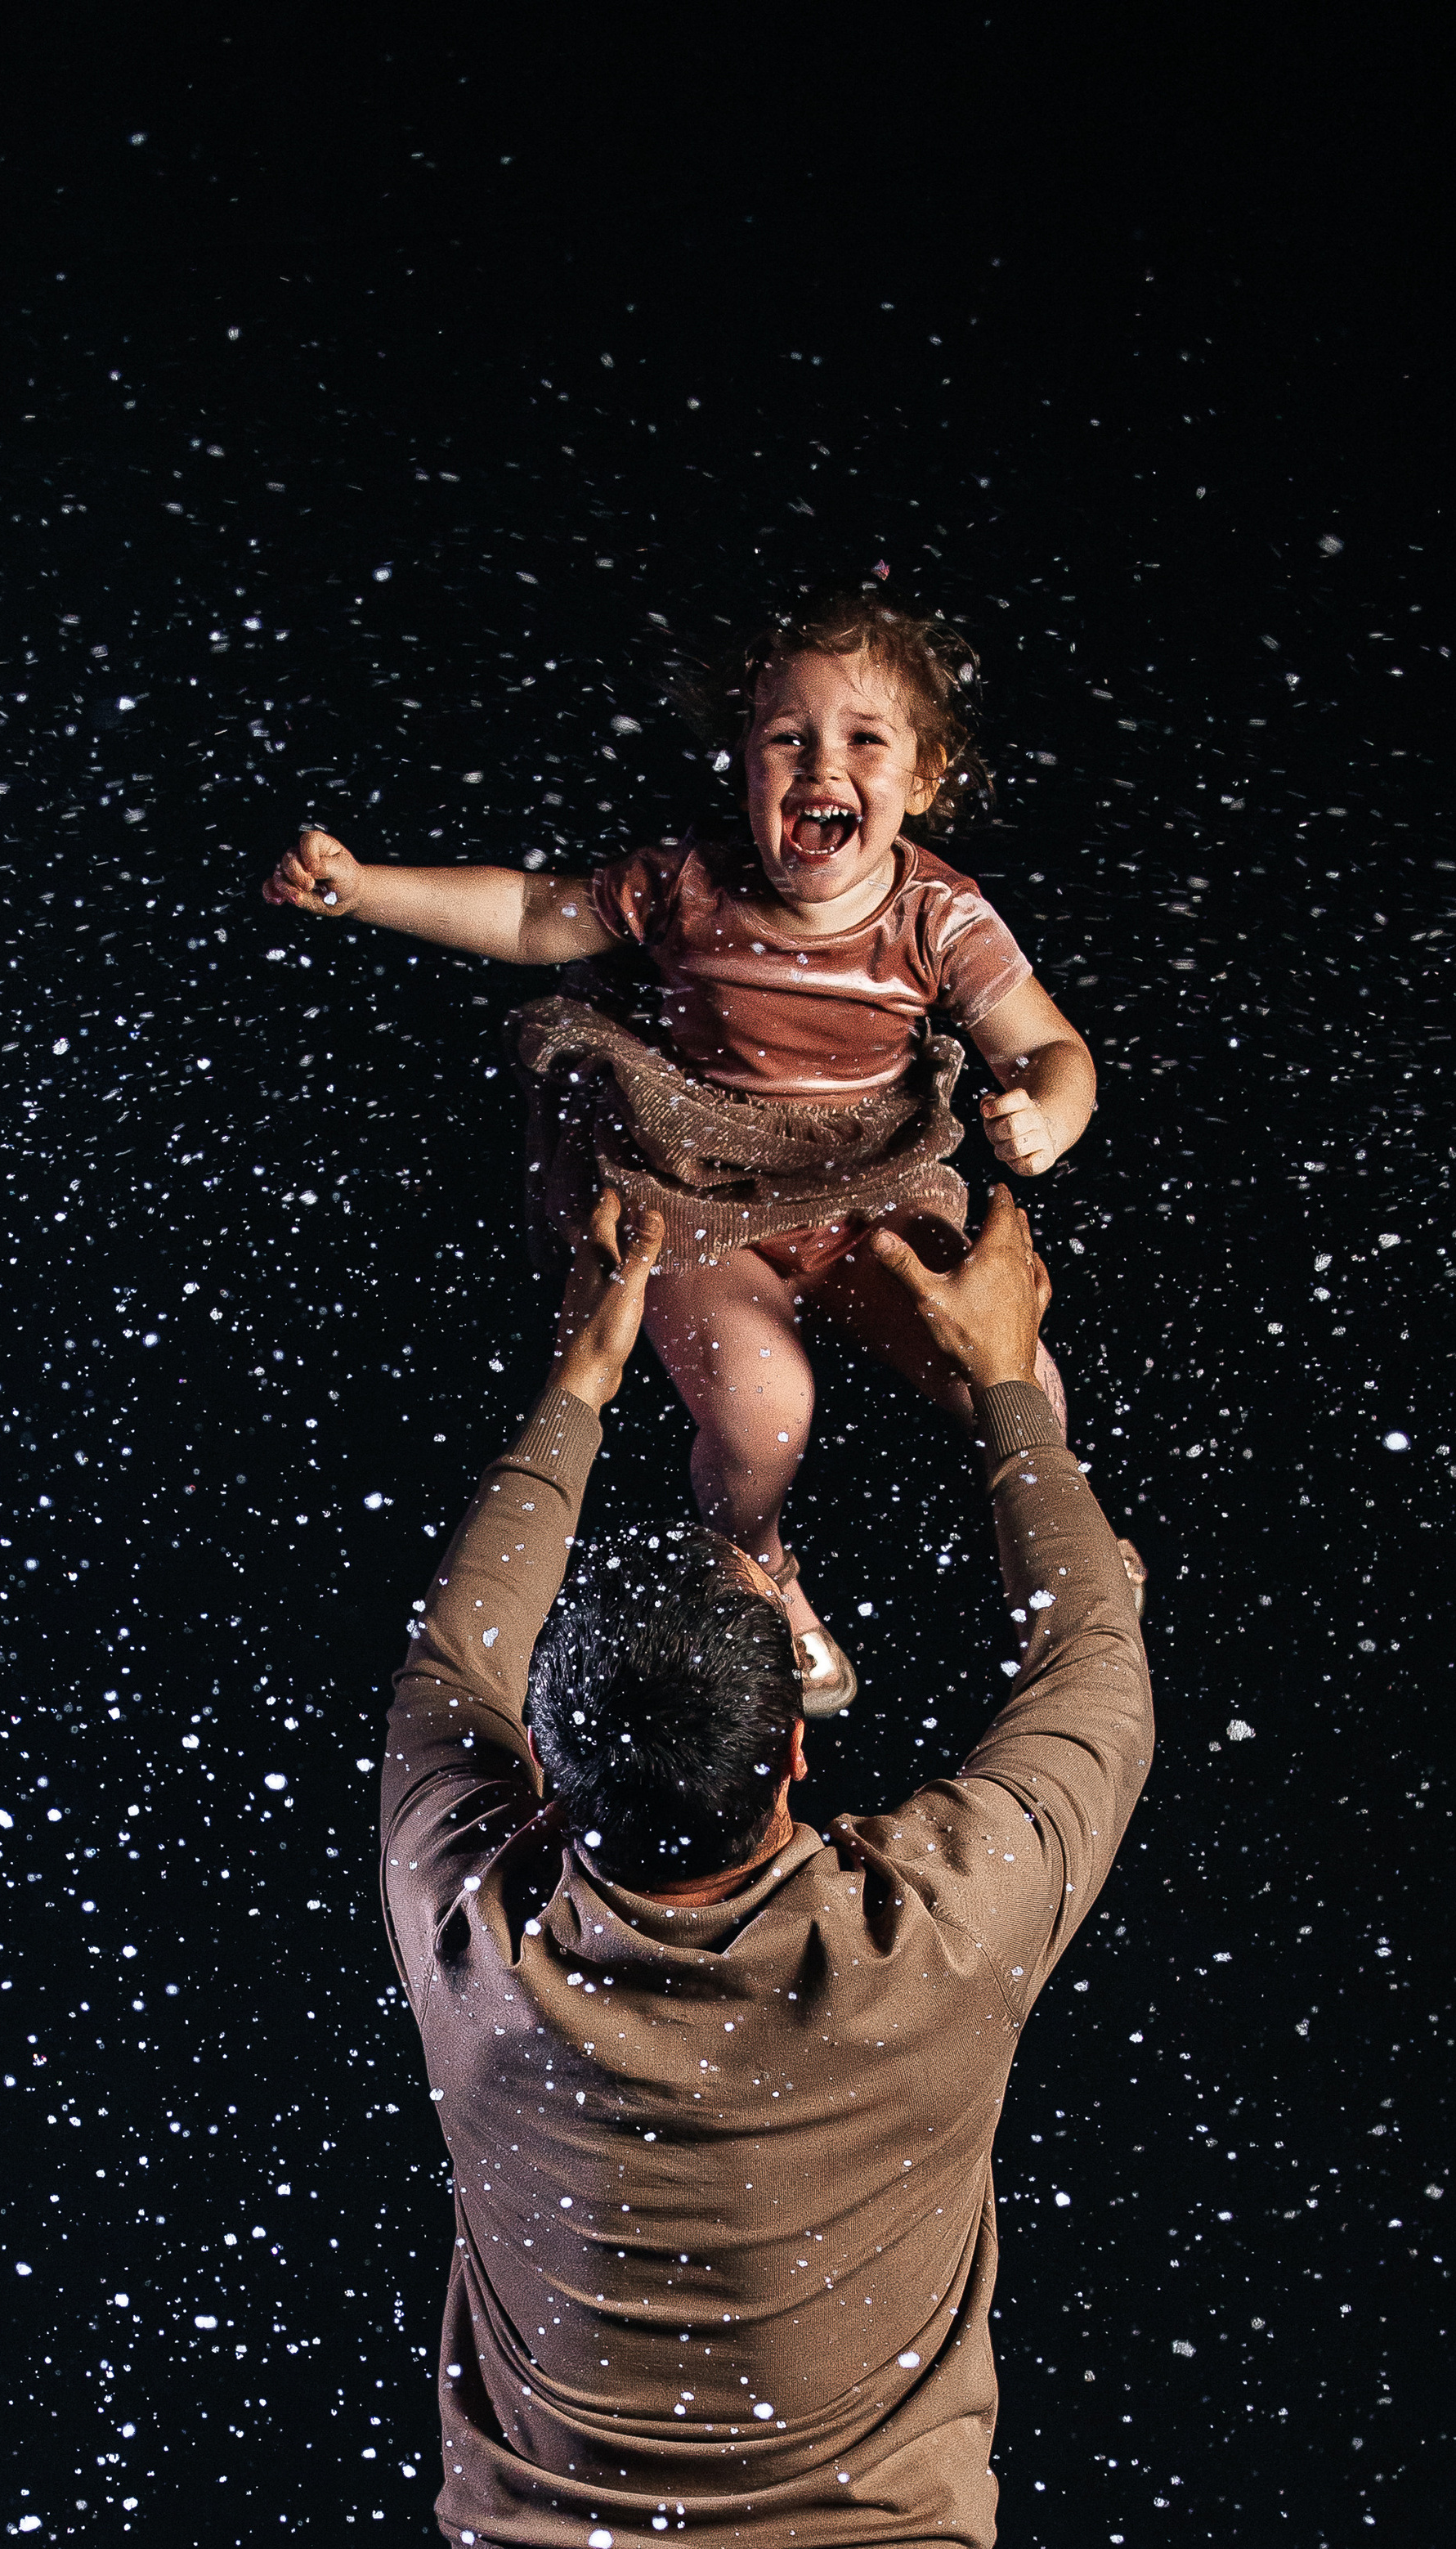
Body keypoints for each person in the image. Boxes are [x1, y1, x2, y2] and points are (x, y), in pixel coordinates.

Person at [380, 1181, 1153, 2549]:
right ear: (797, 1757)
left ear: (553, 1772)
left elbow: (452, 1661)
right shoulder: (932, 1939)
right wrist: (1006, 1394)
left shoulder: (479, 1928)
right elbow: (1095, 1666)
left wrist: (578, 1373)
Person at [269, 585, 1137, 1723]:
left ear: (921, 782)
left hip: (867, 1187)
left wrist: (1049, 1111)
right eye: (789, 739)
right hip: (698, 1192)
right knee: (764, 1407)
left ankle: (1064, 1539)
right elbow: (535, 917)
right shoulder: (685, 887)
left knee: (1016, 1372)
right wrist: (366, 890)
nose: (824, 766)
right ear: (745, 765)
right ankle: (758, 1562)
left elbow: (1054, 1049)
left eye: (865, 740)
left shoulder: (940, 918)